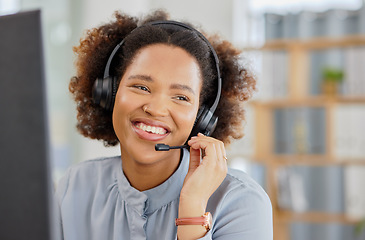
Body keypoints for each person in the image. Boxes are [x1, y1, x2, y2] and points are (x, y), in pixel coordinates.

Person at [55, 10, 273, 240]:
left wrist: (193, 206)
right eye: (141, 87)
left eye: (181, 97)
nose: (156, 109)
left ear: (202, 118)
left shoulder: (240, 202)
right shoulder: (75, 186)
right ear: (109, 94)